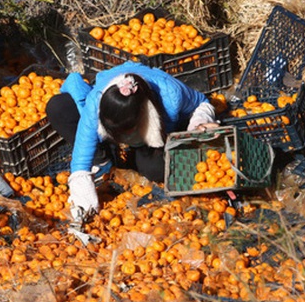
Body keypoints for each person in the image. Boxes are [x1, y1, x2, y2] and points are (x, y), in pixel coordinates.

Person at [46, 61, 218, 221]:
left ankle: (136, 159)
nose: (123, 138)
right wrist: (84, 204)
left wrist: (199, 124)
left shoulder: (170, 94)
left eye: (127, 131)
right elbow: (81, 160)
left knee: (157, 170)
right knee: (59, 107)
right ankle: (104, 161)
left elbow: (202, 103)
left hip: (154, 138)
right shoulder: (96, 103)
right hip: (112, 124)